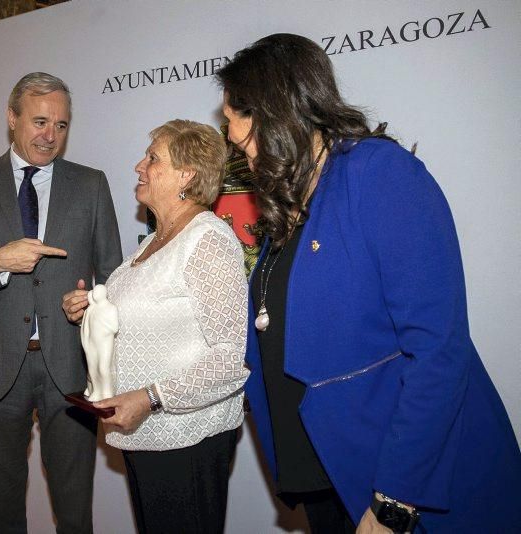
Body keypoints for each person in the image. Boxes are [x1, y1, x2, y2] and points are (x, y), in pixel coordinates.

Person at [217, 33, 521, 533]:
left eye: (234, 121)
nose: (229, 137)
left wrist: (394, 500)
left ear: (273, 111)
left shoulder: (379, 174)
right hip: (329, 478)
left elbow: (437, 350)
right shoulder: (289, 210)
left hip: (399, 487)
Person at [0, 72, 122, 533]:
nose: (49, 136)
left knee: (75, 505)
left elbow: (116, 276)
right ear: (11, 118)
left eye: (60, 125)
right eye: (39, 121)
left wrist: (93, 301)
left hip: (71, 368)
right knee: (1, 502)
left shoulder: (91, 183)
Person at [63, 119, 249, 534]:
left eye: (152, 159)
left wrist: (150, 399)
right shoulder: (150, 243)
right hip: (145, 433)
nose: (138, 167)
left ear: (187, 175)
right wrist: (89, 307)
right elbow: (135, 318)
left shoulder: (209, 241)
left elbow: (229, 358)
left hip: (187, 438)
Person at [80, 284, 119, 402]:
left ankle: (107, 392)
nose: (95, 294)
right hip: (91, 344)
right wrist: (85, 342)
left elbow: (114, 328)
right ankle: (97, 391)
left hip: (104, 342)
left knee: (103, 367)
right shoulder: (91, 309)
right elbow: (85, 328)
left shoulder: (111, 308)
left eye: (98, 291)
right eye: (94, 291)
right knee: (92, 368)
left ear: (104, 293)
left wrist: (101, 324)